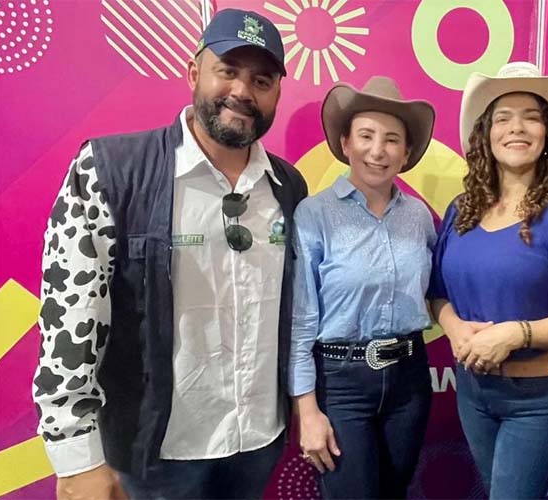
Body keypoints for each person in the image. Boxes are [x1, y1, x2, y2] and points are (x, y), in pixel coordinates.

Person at [32, 8, 308, 499]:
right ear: (193, 72)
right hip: (154, 454)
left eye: (261, 80)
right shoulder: (111, 171)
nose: (243, 91)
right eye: (228, 70)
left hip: (258, 441)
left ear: (277, 94)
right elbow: (70, 315)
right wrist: (76, 457)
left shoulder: (288, 186)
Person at [428, 62, 548, 499]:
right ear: (485, 133)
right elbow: (437, 295)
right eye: (503, 118)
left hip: (537, 397)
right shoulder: (462, 209)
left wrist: (515, 334)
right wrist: (455, 328)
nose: (517, 128)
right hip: (473, 391)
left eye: (531, 117)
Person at [288, 76, 436, 499]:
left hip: (409, 380)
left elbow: (437, 289)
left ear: (406, 153)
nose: (378, 150)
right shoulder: (314, 214)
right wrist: (307, 411)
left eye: (392, 139)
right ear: (345, 143)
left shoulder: (419, 217)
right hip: (341, 385)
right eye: (366, 135)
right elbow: (301, 320)